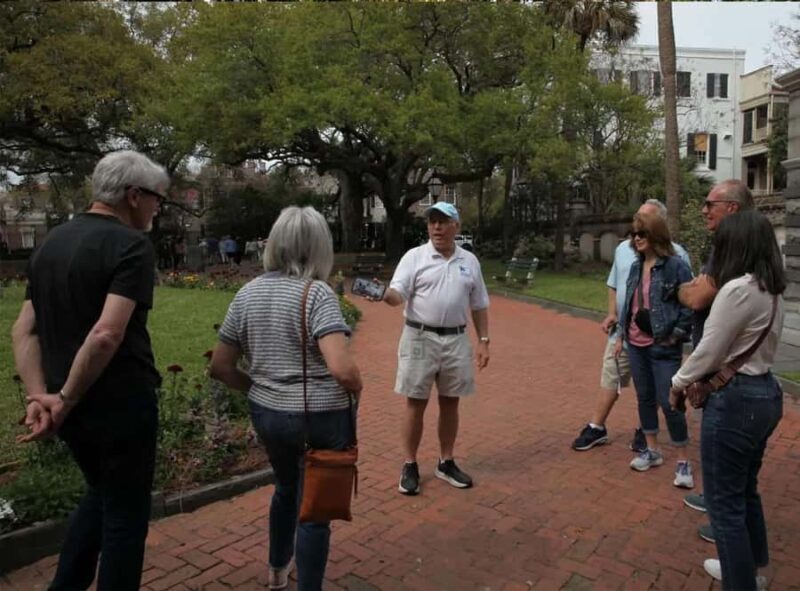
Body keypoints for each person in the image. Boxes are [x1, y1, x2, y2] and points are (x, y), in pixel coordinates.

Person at [11, 150, 168, 591]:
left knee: (100, 496)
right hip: (119, 405)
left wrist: (41, 397)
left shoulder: (50, 244)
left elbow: (23, 331)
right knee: (125, 518)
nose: (159, 208)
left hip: (72, 410)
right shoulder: (132, 245)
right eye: (158, 199)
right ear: (134, 195)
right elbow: (105, 334)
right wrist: (63, 399)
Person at [209, 206, 361, 591]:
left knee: (285, 488)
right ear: (319, 247)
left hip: (269, 415)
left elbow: (221, 366)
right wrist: (357, 386)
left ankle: (277, 571)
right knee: (315, 510)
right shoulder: (317, 293)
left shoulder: (247, 293)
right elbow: (342, 369)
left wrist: (260, 388)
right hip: (318, 417)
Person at [670, 210, 784, 590]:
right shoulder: (772, 289)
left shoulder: (737, 290)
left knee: (724, 504)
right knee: (745, 489)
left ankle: (741, 581)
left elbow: (708, 352)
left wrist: (677, 382)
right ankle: (749, 568)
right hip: (766, 394)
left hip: (737, 402)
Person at [378, 202, 490, 496]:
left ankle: (446, 461)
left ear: (457, 226)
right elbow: (397, 295)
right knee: (416, 402)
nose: (437, 227)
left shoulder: (470, 261)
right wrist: (382, 294)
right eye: (432, 221)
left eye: (443, 221)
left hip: (456, 339)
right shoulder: (414, 258)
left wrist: (484, 341)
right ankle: (410, 463)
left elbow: (478, 306)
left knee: (450, 402)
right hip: (419, 337)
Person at [572, 200, 690, 452]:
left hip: (660, 337)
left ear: (658, 226)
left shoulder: (677, 256)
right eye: (636, 224)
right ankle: (597, 427)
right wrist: (613, 315)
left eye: (644, 224)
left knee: (658, 390)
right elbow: (615, 284)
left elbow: (687, 300)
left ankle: (647, 434)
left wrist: (676, 334)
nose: (636, 232)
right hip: (625, 333)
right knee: (613, 375)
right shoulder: (625, 251)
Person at [678, 180, 755, 540]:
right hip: (732, 371)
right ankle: (718, 504)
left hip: (729, 374)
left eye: (711, 204)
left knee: (726, 460)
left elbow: (697, 297)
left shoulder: (736, 262)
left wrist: (682, 289)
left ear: (733, 209)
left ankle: (725, 526)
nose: (704, 210)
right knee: (736, 471)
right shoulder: (741, 257)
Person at [616, 211, 693, 484]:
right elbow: (629, 305)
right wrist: (619, 337)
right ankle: (652, 450)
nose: (636, 239)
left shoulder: (675, 266)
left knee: (669, 401)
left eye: (642, 233)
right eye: (634, 234)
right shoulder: (636, 266)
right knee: (644, 398)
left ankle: (683, 461)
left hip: (662, 346)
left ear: (655, 235)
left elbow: (689, 305)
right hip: (635, 344)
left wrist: (676, 336)